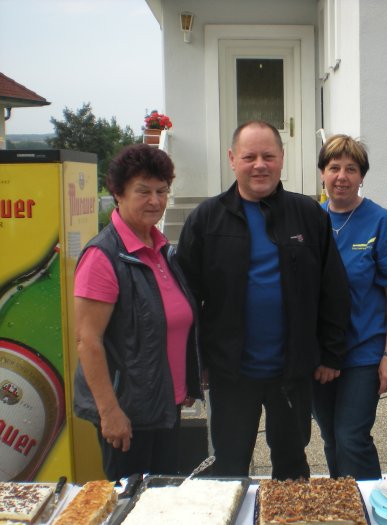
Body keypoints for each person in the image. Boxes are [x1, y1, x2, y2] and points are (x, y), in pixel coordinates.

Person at [176, 121, 350, 479]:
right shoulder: (206, 219)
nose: (259, 165)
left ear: (282, 158)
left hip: (292, 370)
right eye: (249, 157)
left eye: (268, 156)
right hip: (230, 371)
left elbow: (332, 288)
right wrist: (195, 363)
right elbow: (187, 298)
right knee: (230, 464)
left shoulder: (308, 214)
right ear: (232, 159)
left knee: (292, 464)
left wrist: (331, 353)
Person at [73, 144, 202, 480]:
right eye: (143, 192)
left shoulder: (161, 249)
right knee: (130, 502)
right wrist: (109, 412)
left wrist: (186, 381)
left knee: (162, 497)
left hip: (165, 405)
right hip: (128, 414)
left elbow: (172, 323)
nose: (155, 201)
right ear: (118, 193)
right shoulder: (103, 257)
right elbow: (88, 341)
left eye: (162, 191)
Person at [312, 135, 387, 480]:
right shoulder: (310, 220)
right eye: (334, 167)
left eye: (351, 169)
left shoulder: (380, 222)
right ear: (322, 174)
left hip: (363, 352)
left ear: (362, 176)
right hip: (321, 353)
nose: (342, 176)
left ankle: (367, 503)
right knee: (330, 436)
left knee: (351, 437)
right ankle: (344, 500)